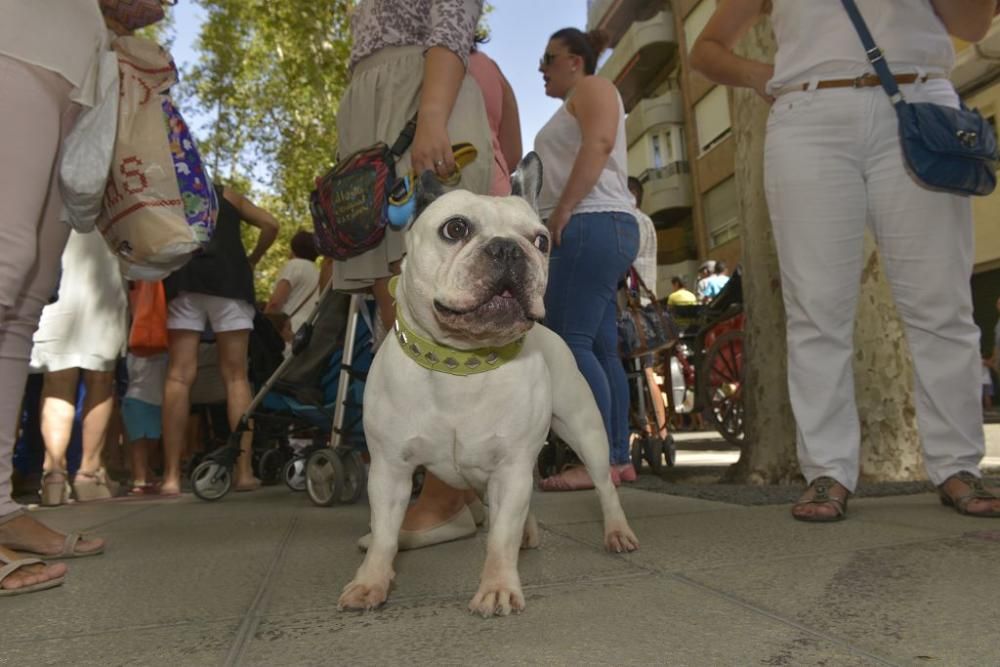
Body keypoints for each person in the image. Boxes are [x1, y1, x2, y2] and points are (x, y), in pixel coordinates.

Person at [691, 0, 1000, 520]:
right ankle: (827, 470)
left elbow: (972, 24)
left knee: (940, 304)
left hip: (918, 102)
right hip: (808, 116)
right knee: (816, 309)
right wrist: (760, 75)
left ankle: (958, 464)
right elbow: (707, 50)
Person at [344, 0, 498, 551]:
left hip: (418, 104)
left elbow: (453, 21)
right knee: (403, 320)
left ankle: (444, 498)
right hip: (387, 111)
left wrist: (431, 115)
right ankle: (459, 486)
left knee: (434, 314)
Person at [0, 0, 125, 596]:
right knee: (5, 261)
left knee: (25, 304)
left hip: (78, 64)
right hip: (17, 34)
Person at [534, 27, 639, 491]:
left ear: (576, 61)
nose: (542, 68)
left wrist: (562, 211)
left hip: (591, 223)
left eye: (549, 58)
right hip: (603, 225)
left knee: (572, 343)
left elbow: (597, 146)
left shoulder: (594, 87)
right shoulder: (578, 98)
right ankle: (617, 459)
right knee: (600, 348)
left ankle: (597, 460)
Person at [160, 185, 279, 496]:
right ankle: (243, 472)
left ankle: (171, 477)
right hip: (230, 279)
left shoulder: (169, 195)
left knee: (178, 376)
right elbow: (271, 224)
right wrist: (252, 258)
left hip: (184, 277)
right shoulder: (226, 195)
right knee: (236, 376)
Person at [29, 229, 129, 506]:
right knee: (101, 377)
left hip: (56, 272)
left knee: (57, 380)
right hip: (103, 272)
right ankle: (89, 474)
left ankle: (54, 477)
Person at [468, 41, 522, 196]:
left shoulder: (407, 61)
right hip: (493, 191)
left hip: (425, 198)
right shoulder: (488, 66)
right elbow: (513, 155)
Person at [122, 351, 168, 495]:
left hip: (157, 402)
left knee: (152, 441)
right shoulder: (133, 352)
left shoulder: (165, 349)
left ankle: (145, 475)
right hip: (136, 399)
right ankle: (140, 480)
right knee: (139, 441)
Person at [265, 230, 320, 335]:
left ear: (294, 248)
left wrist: (263, 325)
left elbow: (275, 303)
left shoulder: (295, 265)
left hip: (286, 329)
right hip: (306, 333)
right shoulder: (318, 272)